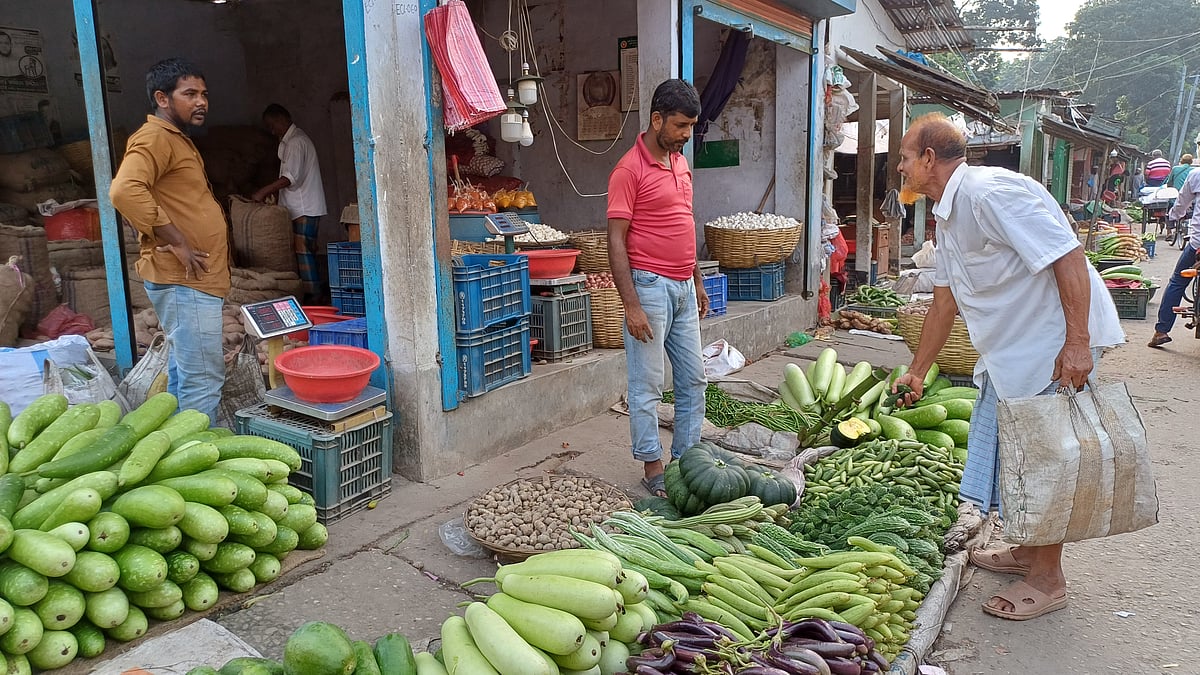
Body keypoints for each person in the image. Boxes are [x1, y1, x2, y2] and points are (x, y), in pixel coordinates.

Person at [891, 113, 1124, 621]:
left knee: (1042, 462)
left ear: (930, 158)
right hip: (1012, 351)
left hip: (1050, 343)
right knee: (1012, 456)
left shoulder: (990, 192)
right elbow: (943, 303)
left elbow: (1068, 256)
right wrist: (916, 368)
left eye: (905, 157)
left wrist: (1078, 343)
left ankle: (1048, 579)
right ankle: (1025, 553)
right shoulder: (949, 215)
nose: (901, 167)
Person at [110, 58, 229, 424]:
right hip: (185, 279)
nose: (201, 102)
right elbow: (125, 190)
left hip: (191, 280)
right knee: (203, 379)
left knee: (184, 373)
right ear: (162, 98)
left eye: (204, 94)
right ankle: (198, 459)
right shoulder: (155, 137)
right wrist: (175, 238)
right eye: (189, 94)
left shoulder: (175, 139)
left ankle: (177, 451)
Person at [607, 79, 709, 497]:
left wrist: (698, 279)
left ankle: (685, 460)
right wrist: (630, 304)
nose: (687, 134)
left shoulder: (680, 163)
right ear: (657, 120)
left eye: (690, 126)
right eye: (682, 126)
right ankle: (652, 466)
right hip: (648, 287)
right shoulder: (628, 170)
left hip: (684, 286)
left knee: (694, 379)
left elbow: (686, 222)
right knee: (647, 383)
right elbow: (615, 239)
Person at [252, 104, 327, 302]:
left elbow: (289, 178)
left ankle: (314, 295)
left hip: (304, 206)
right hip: (300, 206)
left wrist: (263, 191)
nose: (272, 130)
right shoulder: (290, 142)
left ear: (282, 119)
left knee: (303, 249)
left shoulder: (296, 142)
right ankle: (313, 291)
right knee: (305, 250)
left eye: (272, 125)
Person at [1148, 166, 1200, 348]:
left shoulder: (1196, 175)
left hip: (1197, 245)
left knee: (1178, 281)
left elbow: (1181, 204)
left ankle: (1161, 331)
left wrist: (1174, 216)